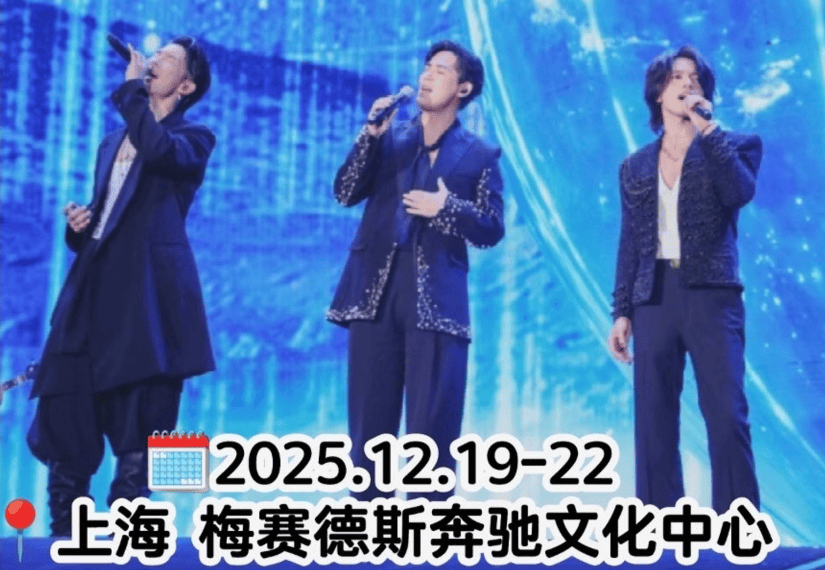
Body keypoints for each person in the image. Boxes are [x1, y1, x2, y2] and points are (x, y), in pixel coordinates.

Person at [27, 36, 215, 536]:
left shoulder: (195, 137)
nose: (153, 61)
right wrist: (82, 225)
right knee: (67, 415)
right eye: (155, 55)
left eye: (168, 59)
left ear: (187, 85)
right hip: (92, 291)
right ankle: (65, 540)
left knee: (143, 430)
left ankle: (130, 542)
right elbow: (110, 211)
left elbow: (158, 149)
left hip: (147, 299)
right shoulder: (112, 141)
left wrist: (132, 91)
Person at [327, 39, 504, 500]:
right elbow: (345, 191)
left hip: (437, 300)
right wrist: (370, 134)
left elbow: (491, 228)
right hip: (375, 292)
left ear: (463, 88)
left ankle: (430, 531)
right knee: (369, 434)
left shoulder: (481, 153)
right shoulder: (391, 139)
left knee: (432, 434)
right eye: (426, 67)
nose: (427, 75)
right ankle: (370, 526)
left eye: (441, 69)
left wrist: (447, 208)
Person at [607, 45, 761, 513]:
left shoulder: (734, 146)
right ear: (658, 92)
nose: (687, 83)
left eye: (695, 78)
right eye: (677, 76)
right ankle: (660, 529)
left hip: (712, 295)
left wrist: (708, 129)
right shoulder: (634, 166)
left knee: (727, 414)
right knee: (653, 419)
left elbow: (739, 192)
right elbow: (630, 241)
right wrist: (621, 311)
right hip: (654, 296)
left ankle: (738, 525)